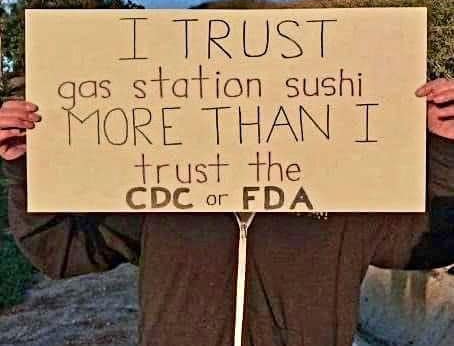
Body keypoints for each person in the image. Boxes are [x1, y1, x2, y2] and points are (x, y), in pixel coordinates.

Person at [1, 77, 454, 346]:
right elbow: (60, 250)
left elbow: (432, 240)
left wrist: (445, 146)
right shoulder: (158, 193)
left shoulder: (341, 200)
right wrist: (24, 167)